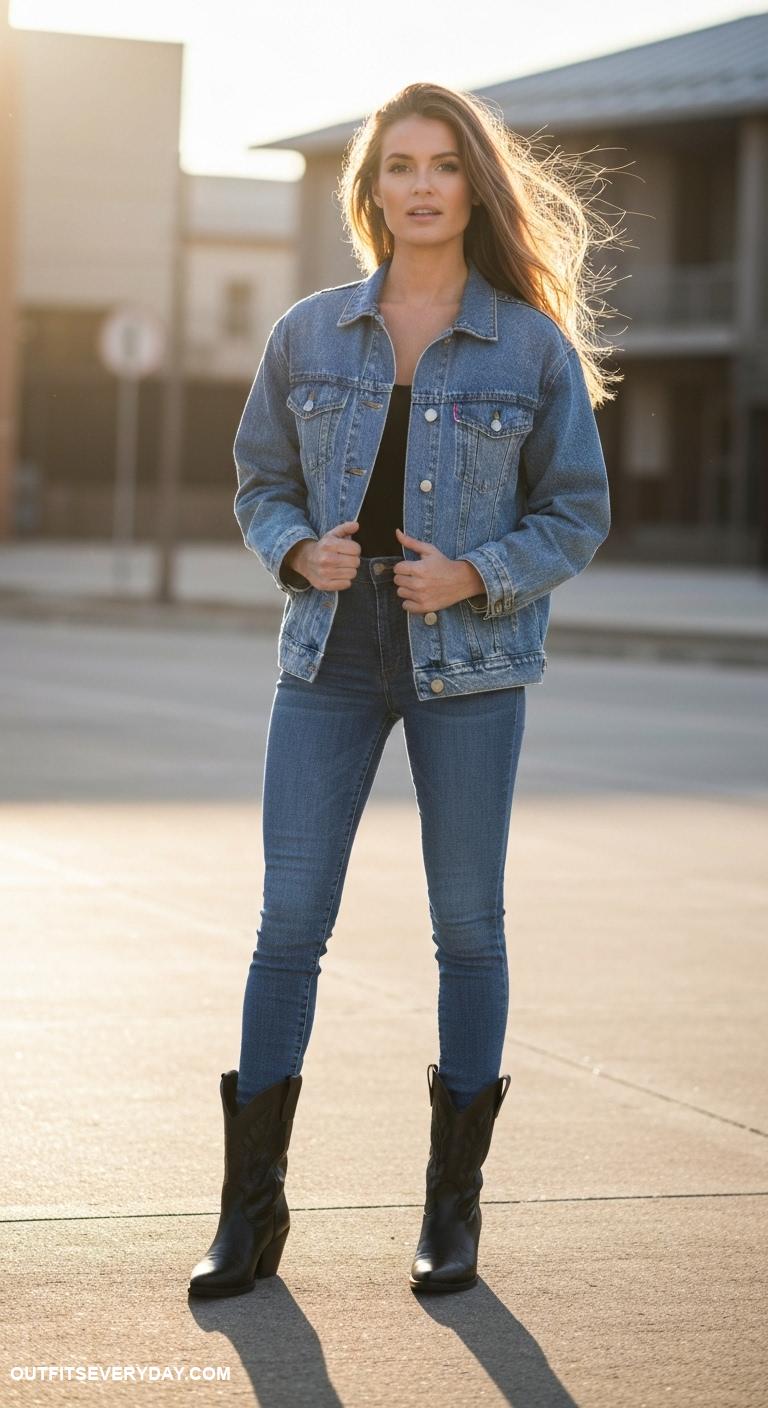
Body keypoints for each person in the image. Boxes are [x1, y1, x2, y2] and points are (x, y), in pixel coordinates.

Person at [188, 81, 620, 1300]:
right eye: (400, 166)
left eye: (443, 165)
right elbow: (259, 481)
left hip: (468, 657)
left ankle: (451, 1210)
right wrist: (295, 551)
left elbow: (576, 511)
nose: (421, 185)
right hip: (329, 651)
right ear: (370, 189)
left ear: (474, 185)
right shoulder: (308, 334)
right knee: (288, 924)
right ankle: (249, 1214)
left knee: (467, 926)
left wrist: (478, 572)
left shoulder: (527, 345)